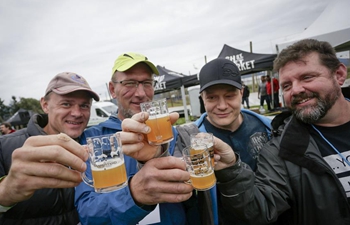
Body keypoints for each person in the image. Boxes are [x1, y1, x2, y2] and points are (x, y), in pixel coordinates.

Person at [214, 39, 350, 225]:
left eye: (307, 77)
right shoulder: (280, 149)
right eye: (286, 85)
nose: (296, 90)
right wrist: (231, 170)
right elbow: (260, 209)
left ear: (339, 75)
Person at [121, 58, 272, 225]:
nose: (222, 105)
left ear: (241, 93)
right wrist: (150, 157)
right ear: (202, 98)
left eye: (229, 96)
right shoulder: (187, 137)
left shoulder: (270, 129)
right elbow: (169, 179)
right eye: (212, 97)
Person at [74, 52, 194, 225]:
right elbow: (87, 213)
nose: (140, 93)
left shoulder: (171, 133)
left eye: (147, 83)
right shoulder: (92, 139)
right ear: (112, 90)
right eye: (129, 83)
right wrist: (134, 194)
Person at [0, 72, 99, 224]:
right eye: (66, 104)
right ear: (45, 105)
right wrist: (6, 192)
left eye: (84, 105)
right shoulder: (5, 147)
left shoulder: (95, 145)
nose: (77, 113)